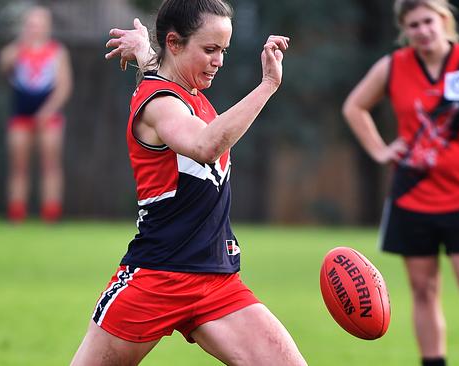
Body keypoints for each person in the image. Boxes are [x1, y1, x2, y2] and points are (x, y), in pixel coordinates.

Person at [70, 1, 306, 365]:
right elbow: (205, 145)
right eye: (210, 50)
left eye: (223, 50)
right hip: (156, 276)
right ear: (175, 43)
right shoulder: (160, 104)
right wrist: (268, 85)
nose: (219, 61)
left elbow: (164, 69)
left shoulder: (182, 86)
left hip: (216, 281)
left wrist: (145, 50)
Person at [342, 1, 459, 365]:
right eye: (413, 24)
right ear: (405, 29)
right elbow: (354, 106)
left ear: (443, 21)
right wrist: (380, 150)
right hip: (411, 197)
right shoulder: (393, 66)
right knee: (423, 289)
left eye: (428, 21)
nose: (423, 30)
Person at [0, 5, 72, 223]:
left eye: (39, 24)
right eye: (31, 24)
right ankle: (16, 214)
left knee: (50, 165)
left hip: (49, 116)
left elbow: (64, 86)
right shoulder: (17, 50)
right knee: (18, 166)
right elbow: (3, 66)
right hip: (21, 114)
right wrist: (20, 44)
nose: (35, 28)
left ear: (48, 27)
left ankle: (51, 215)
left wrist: (47, 111)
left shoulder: (57, 52)